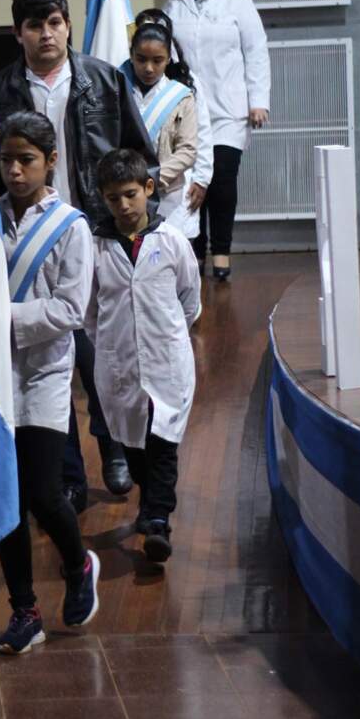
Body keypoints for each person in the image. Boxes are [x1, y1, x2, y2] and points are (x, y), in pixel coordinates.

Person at [0, 0, 159, 511]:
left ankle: (114, 451)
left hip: (94, 234)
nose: (46, 34)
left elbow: (140, 157)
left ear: (68, 25)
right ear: (19, 33)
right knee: (49, 363)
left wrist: (131, 224)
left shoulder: (104, 82)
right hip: (32, 241)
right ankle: (67, 474)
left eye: (55, 23)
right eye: (34, 25)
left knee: (100, 359)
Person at [0, 112, 99, 654]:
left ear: (50, 161)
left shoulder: (70, 226)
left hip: (44, 373)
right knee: (2, 500)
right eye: (7, 159)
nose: (14, 170)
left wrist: (1, 318)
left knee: (42, 493)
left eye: (26, 160)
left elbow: (70, 308)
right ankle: (25, 610)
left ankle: (78, 563)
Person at [86, 149, 200, 563]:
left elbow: (190, 298)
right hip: (120, 365)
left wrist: (166, 337)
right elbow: (90, 312)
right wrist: (116, 344)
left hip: (166, 361)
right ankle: (148, 504)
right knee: (134, 445)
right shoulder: (96, 247)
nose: (123, 205)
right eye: (113, 197)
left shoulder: (171, 241)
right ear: (102, 197)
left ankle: (157, 521)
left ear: (149, 189)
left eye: (131, 194)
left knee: (163, 441)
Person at [163, 0, 270, 279]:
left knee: (222, 181)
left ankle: (221, 251)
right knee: (193, 182)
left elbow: (256, 51)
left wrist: (259, 102)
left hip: (229, 109)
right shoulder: (175, 5)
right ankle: (195, 251)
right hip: (189, 109)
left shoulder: (237, 0)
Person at [122, 12, 201, 236]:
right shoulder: (116, 90)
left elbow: (188, 150)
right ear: (131, 55)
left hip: (167, 196)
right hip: (125, 195)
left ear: (168, 58)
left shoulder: (181, 96)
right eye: (141, 59)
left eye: (157, 61)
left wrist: (151, 180)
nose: (148, 68)